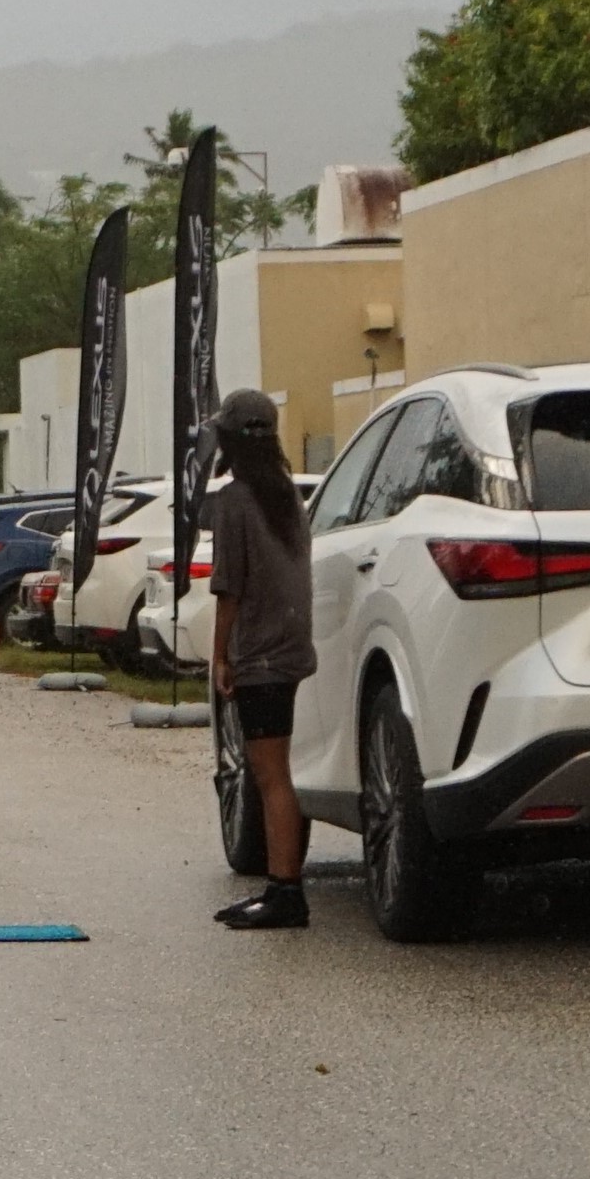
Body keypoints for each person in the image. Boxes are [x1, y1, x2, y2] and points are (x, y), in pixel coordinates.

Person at [206, 387, 317, 930]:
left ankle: (285, 891)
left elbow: (228, 586)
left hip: (259, 653)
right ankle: (280, 884)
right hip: (292, 647)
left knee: (271, 775)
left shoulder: (234, 500)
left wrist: (220, 656)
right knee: (276, 771)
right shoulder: (288, 497)